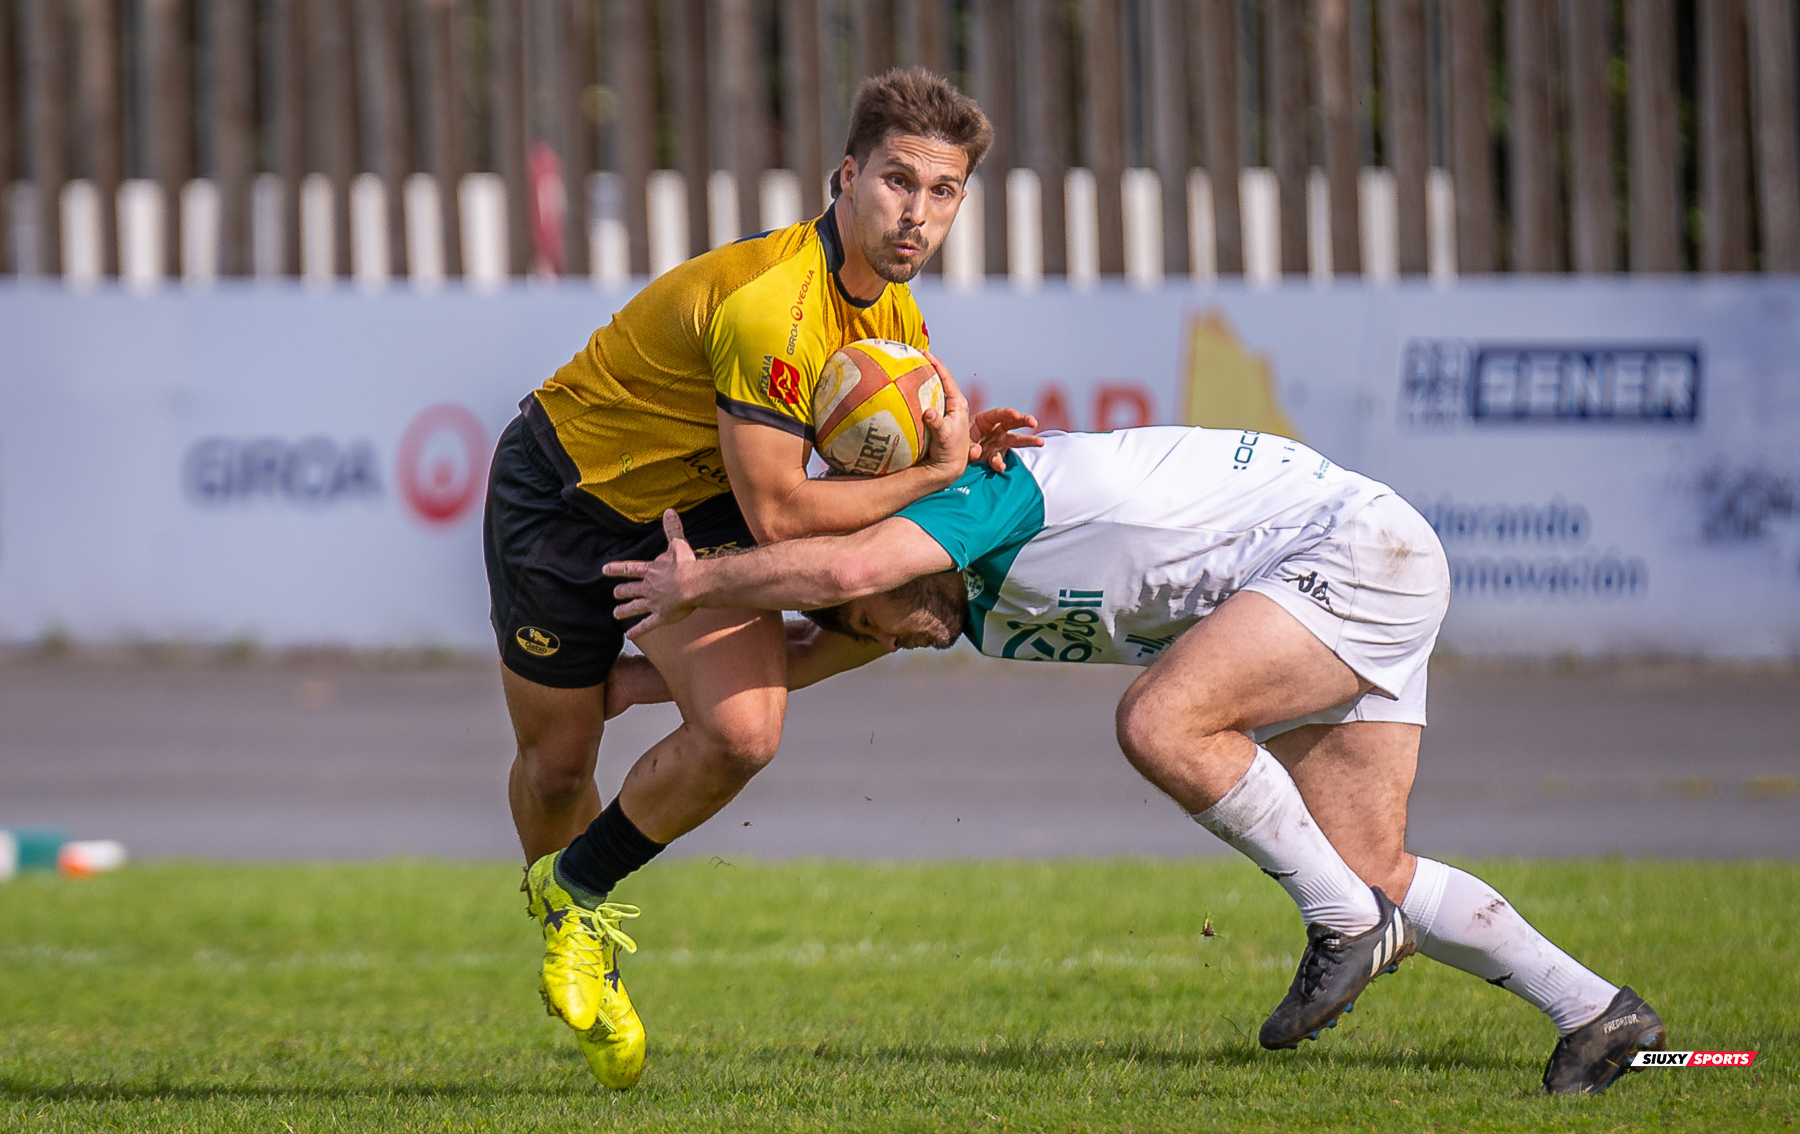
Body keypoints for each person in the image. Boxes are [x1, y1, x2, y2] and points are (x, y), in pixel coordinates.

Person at [605, 425, 1669, 1097]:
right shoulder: (936, 597)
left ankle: (1345, 925)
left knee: (1163, 721)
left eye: (871, 620)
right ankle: (1595, 1011)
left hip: (1343, 549)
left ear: (895, 556)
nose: (884, 638)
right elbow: (818, 639)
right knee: (1368, 862)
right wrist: (632, 686)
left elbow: (843, 573)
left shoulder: (981, 498)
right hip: (1348, 565)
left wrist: (701, 584)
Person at [483, 67, 1039, 1088]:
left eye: (944, 191)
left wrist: (956, 448)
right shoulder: (773, 307)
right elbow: (783, 512)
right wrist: (932, 475)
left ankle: (578, 899)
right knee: (558, 765)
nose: (917, 213)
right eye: (898, 181)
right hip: (564, 495)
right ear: (847, 176)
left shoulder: (897, 322)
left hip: (698, 515)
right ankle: (570, 920)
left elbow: (849, 480)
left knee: (774, 706)